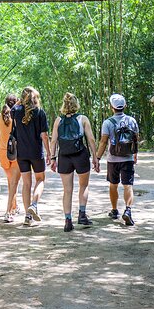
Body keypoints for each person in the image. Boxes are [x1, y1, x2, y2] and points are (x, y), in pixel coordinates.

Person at [49, 92, 100, 232]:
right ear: (76, 104)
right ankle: (82, 215)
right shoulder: (83, 119)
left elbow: (53, 140)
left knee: (67, 190)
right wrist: (95, 157)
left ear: (64, 105)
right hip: (80, 155)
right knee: (83, 185)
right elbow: (91, 139)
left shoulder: (58, 120)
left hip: (64, 156)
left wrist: (53, 158)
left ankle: (67, 220)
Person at [95, 93, 140, 226]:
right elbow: (136, 138)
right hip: (128, 158)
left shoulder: (108, 122)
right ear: (124, 106)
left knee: (113, 184)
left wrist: (97, 158)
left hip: (113, 159)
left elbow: (103, 142)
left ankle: (114, 210)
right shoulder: (132, 121)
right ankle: (128, 210)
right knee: (128, 185)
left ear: (111, 107)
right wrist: (135, 154)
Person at [11, 86, 50, 226]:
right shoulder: (40, 112)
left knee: (26, 183)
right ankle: (34, 204)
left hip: (21, 153)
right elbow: (44, 136)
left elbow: (12, 110)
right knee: (40, 179)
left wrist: (19, 103)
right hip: (36, 152)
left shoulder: (16, 111)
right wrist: (49, 153)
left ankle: (28, 217)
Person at [0, 94, 21, 223]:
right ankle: (9, 212)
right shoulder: (17, 117)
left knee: (11, 181)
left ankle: (14, 206)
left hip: (3, 153)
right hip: (15, 152)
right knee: (14, 183)